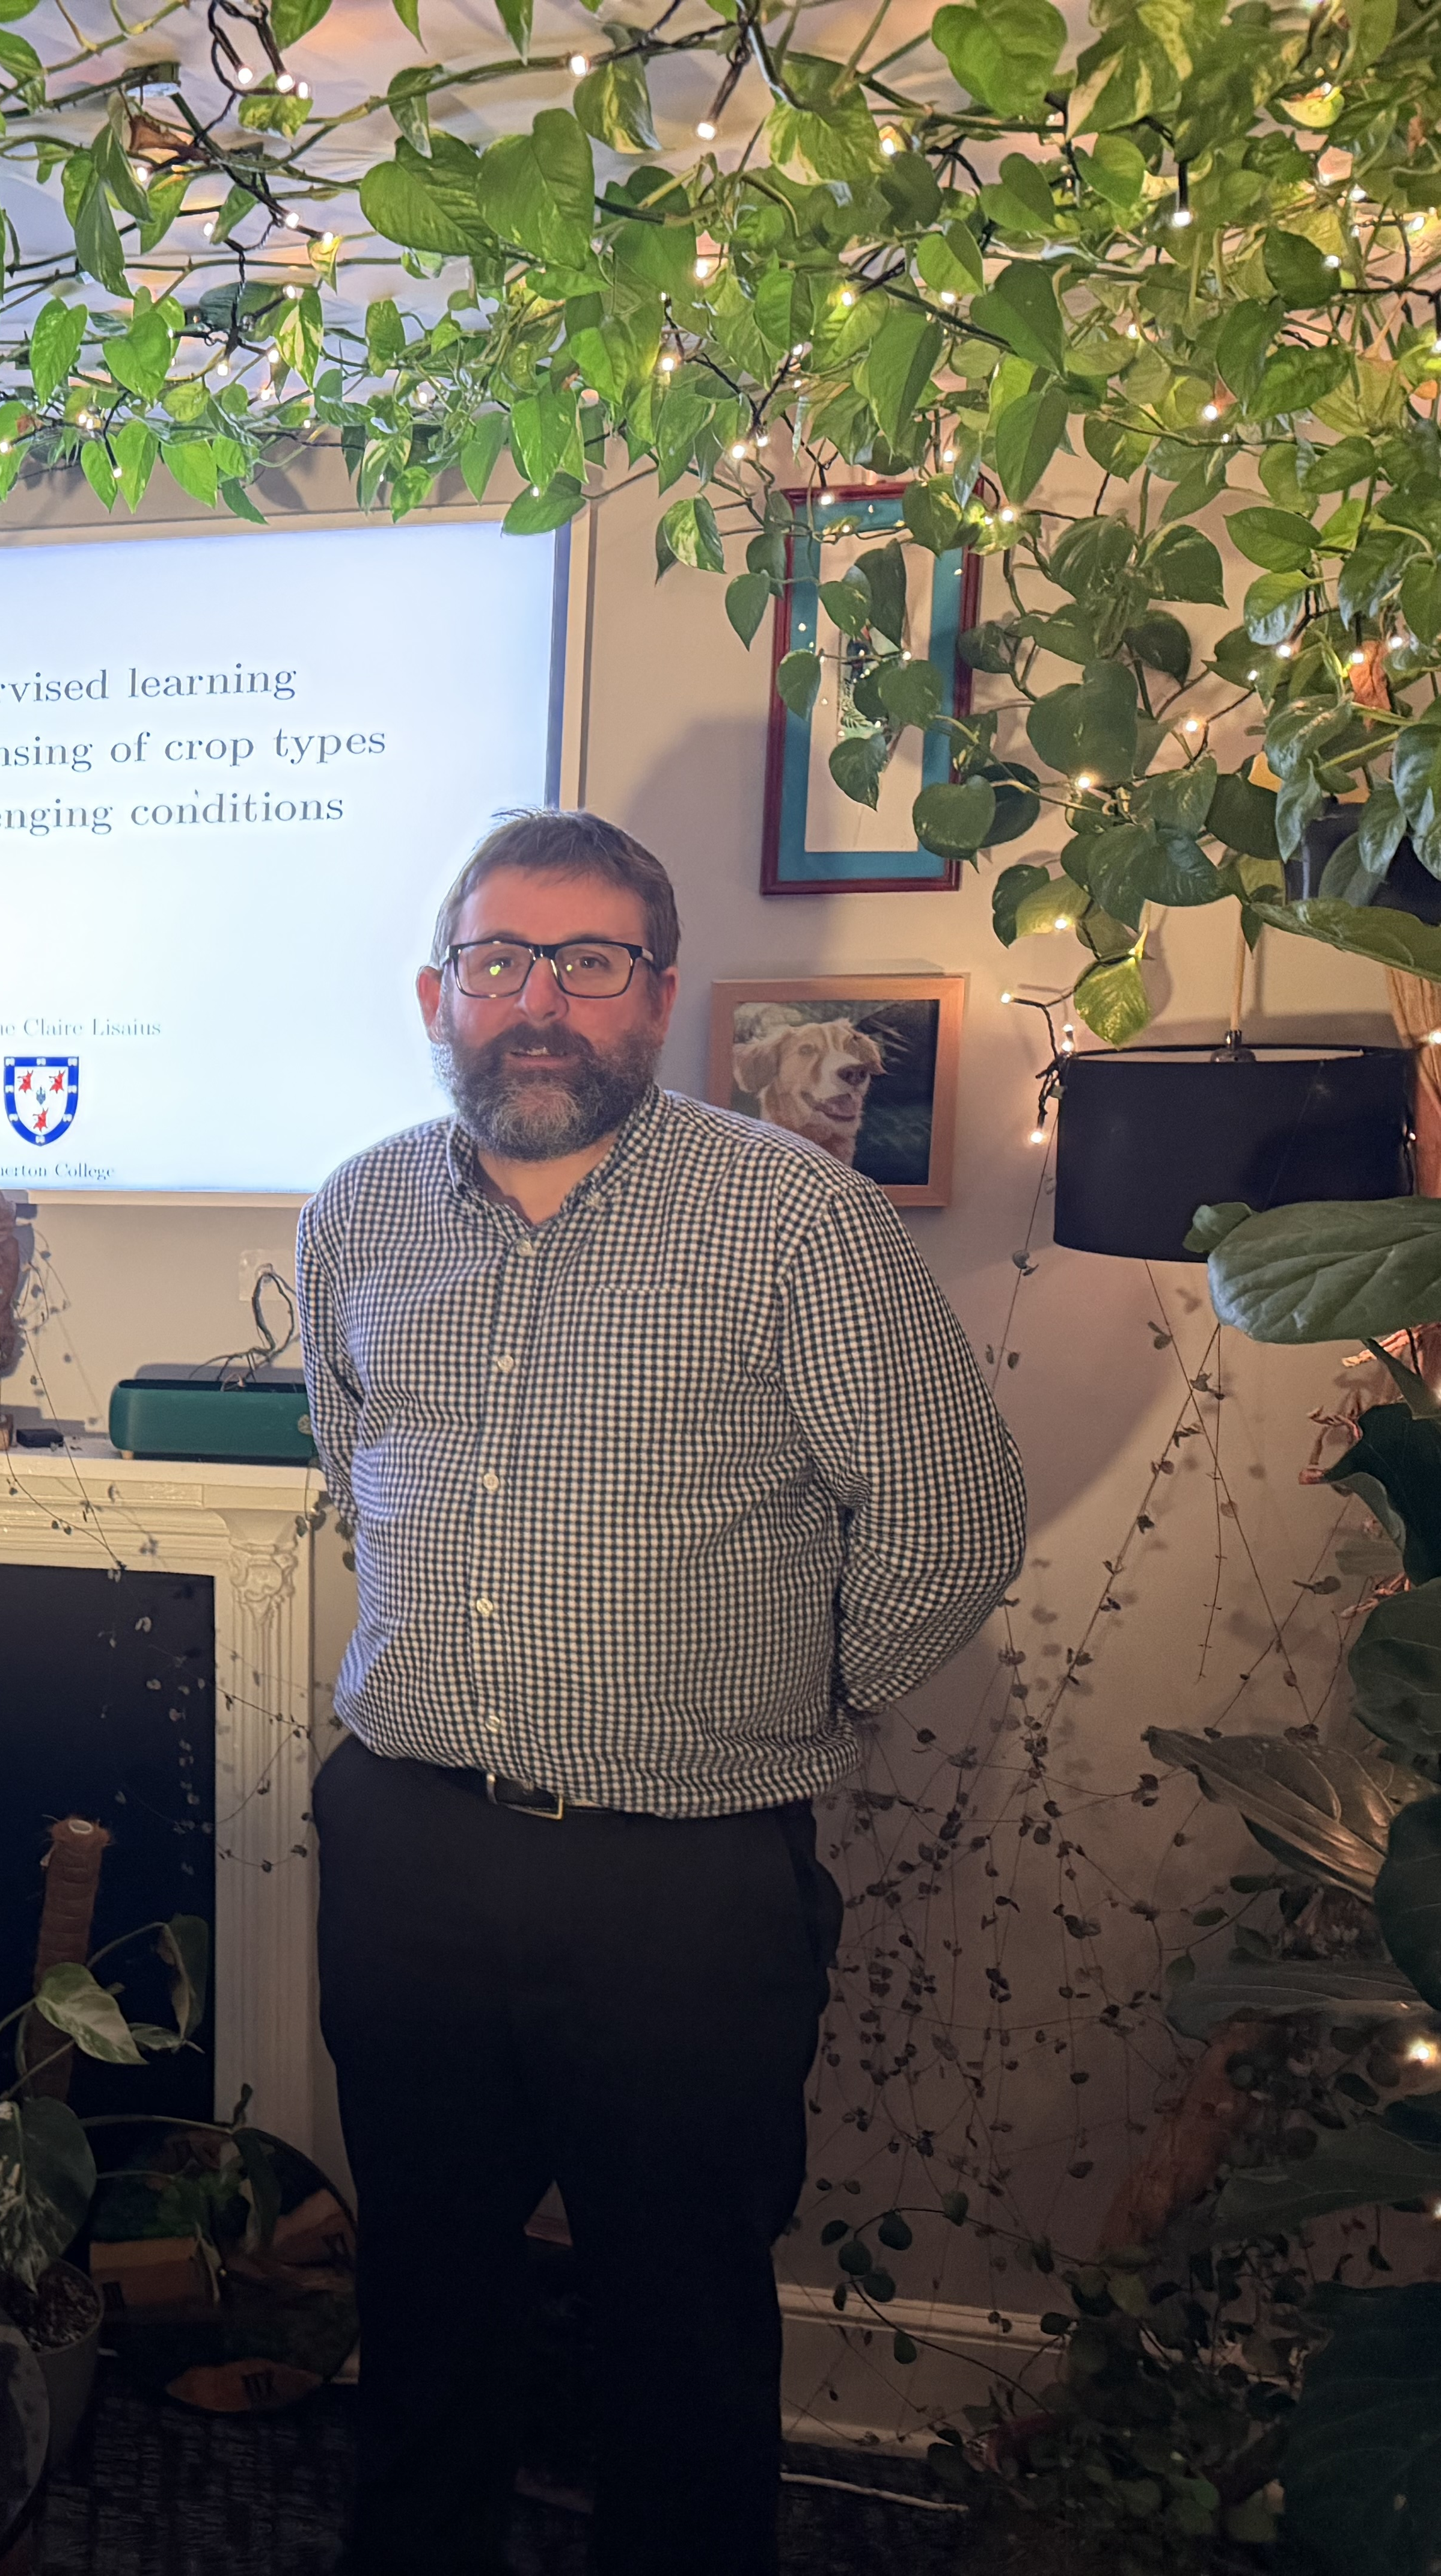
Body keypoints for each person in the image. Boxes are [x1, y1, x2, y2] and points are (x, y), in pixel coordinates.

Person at [292, 809, 1024, 2575]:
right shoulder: (357, 1210)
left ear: (660, 995)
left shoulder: (793, 1217)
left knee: (680, 2350)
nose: (537, 1002)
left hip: (682, 1889)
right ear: (437, 991)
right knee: (425, 2310)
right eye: (499, 962)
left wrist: (787, 1712)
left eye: (589, 962)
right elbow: (351, 1454)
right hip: (409, 1854)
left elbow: (953, 1514)